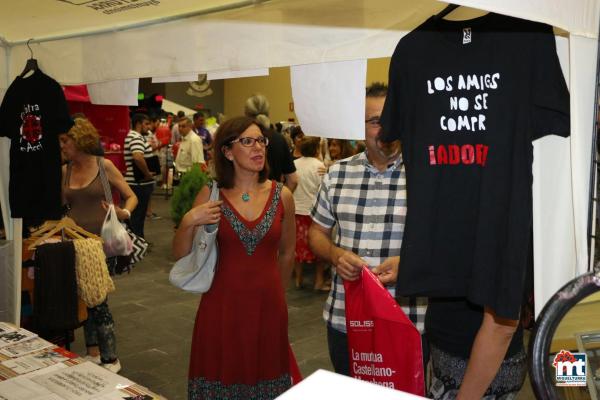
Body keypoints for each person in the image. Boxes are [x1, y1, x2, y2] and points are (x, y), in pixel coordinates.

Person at [308, 82, 427, 376]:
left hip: (408, 320)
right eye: (375, 121)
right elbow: (316, 233)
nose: (385, 129)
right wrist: (335, 254)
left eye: (393, 118)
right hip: (346, 319)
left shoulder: (427, 174)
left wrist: (410, 264)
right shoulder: (337, 174)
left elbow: (448, 243)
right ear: (360, 127)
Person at [173, 116, 296, 399]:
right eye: (247, 141)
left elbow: (288, 251)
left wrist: (278, 292)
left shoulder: (282, 195)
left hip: (269, 305)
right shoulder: (211, 193)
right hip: (221, 306)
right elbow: (181, 255)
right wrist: (189, 220)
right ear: (228, 151)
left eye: (261, 141)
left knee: (266, 379)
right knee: (221, 377)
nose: (258, 148)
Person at [60, 118, 138, 374]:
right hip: (75, 243)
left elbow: (131, 196)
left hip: (102, 244)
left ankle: (110, 357)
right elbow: (64, 205)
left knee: (98, 300)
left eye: (65, 140)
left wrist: (123, 212)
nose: (62, 146)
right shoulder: (65, 170)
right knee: (85, 298)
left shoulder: (103, 166)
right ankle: (92, 352)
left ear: (80, 140)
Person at [292, 137, 328, 290]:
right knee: (318, 246)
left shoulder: (294, 164)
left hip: (296, 210)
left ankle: (298, 279)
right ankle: (318, 281)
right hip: (313, 212)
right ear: (316, 150)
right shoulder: (319, 166)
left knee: (297, 246)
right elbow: (323, 189)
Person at [244, 93, 298, 192]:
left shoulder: (241, 140)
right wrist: (279, 199)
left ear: (246, 114)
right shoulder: (279, 139)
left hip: (245, 199)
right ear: (268, 112)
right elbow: (293, 180)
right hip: (271, 199)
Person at [124, 113, 155, 238]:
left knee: (137, 216)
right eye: (146, 124)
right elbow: (137, 157)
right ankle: (136, 245)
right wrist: (147, 174)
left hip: (137, 183)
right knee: (137, 217)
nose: (149, 127)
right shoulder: (136, 137)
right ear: (138, 124)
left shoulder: (133, 136)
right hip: (138, 184)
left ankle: (138, 243)